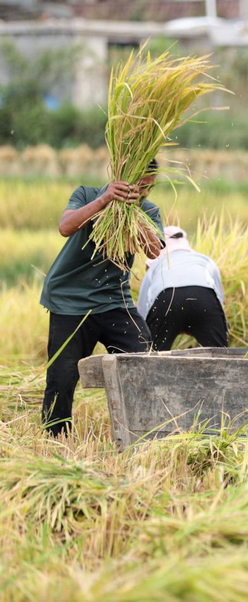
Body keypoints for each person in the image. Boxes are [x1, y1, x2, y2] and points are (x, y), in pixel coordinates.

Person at [40, 160, 164, 436]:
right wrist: (107, 199)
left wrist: (133, 212)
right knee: (62, 376)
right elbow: (65, 226)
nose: (143, 193)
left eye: (148, 188)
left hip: (114, 301)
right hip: (69, 299)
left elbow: (154, 251)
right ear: (122, 177)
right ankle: (54, 436)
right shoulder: (86, 194)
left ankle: (147, 432)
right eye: (139, 186)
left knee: (145, 363)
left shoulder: (149, 210)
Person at [138, 226, 228, 351]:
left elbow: (143, 307)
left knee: (152, 354)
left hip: (166, 299)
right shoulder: (205, 260)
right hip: (204, 298)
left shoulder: (156, 266)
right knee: (219, 354)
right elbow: (218, 298)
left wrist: (143, 336)